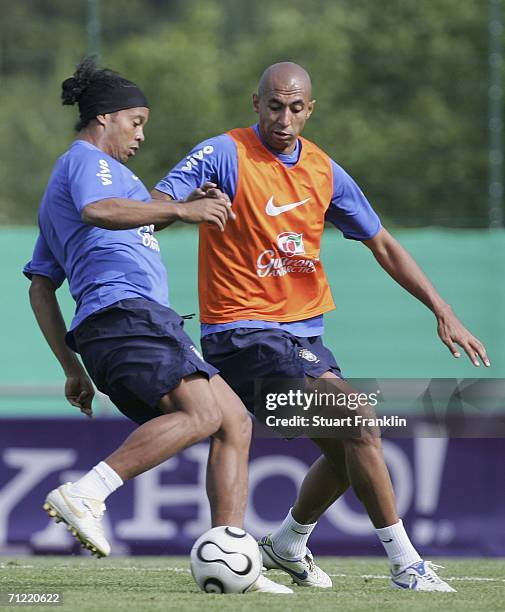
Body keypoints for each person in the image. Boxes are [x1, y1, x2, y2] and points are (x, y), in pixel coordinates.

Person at [152, 61, 490, 592]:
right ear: (255, 102)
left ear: (310, 109)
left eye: (294, 108)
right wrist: (184, 207)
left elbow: (381, 243)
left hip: (303, 337)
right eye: (273, 105)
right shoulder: (224, 152)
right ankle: (406, 566)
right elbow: (155, 204)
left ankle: (288, 541)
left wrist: (441, 309)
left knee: (346, 450)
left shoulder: (324, 171)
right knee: (360, 424)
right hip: (245, 333)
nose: (283, 117)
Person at [23, 58, 291, 594]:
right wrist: (186, 214)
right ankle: (88, 492)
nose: (142, 134)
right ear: (105, 118)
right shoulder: (87, 164)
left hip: (127, 322)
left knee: (233, 421)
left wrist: (71, 368)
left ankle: (232, 553)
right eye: (136, 121)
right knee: (202, 414)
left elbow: (40, 285)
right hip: (126, 314)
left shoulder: (110, 184)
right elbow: (100, 210)